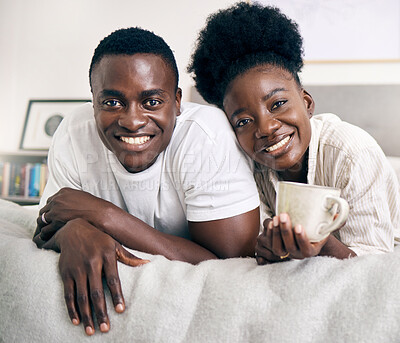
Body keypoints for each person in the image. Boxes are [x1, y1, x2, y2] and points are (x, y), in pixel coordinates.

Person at [33, 27, 260, 335]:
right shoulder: (74, 133)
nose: (132, 121)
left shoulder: (205, 138)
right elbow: (48, 225)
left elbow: (231, 264)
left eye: (151, 101)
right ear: (93, 102)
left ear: (177, 102)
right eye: (112, 102)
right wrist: (72, 231)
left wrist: (105, 216)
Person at [188, 2, 400, 264]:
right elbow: (258, 240)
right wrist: (266, 248)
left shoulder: (353, 154)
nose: (266, 129)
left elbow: (374, 264)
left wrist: (321, 246)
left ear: (307, 103)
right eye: (243, 121)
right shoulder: (246, 165)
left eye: (277, 104)